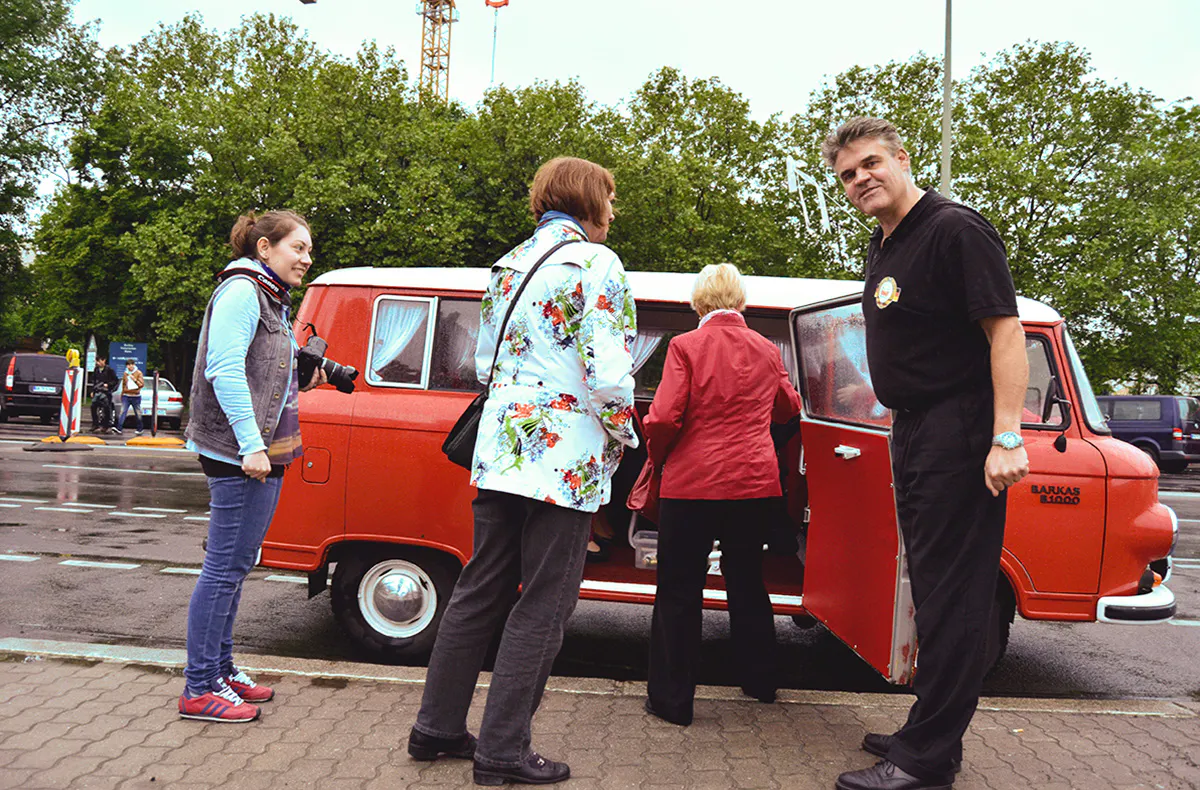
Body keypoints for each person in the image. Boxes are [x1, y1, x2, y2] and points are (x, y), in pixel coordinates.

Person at [409, 157, 638, 786]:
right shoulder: (597, 265)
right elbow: (611, 375)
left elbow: (485, 362)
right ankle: (504, 750)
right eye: (611, 199)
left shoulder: (507, 265)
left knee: (480, 588)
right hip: (563, 462)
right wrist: (623, 437)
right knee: (545, 602)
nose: (614, 213)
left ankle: (436, 727)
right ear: (589, 200)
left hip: (503, 448)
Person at [824, 118, 1030, 790]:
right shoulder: (885, 245)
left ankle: (927, 760)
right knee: (932, 591)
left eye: (871, 164)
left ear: (903, 159)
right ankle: (927, 730)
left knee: (956, 595)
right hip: (911, 430)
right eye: (848, 174)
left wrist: (1005, 437)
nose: (861, 180)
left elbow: (1005, 334)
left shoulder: (954, 229)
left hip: (960, 430)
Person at [178, 210, 327, 722]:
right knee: (223, 570)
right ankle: (199, 687)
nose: (307, 259)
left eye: (309, 250)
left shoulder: (270, 297)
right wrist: (250, 445)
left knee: (235, 567)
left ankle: (219, 670)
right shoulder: (242, 290)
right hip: (241, 452)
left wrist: (301, 377)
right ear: (265, 247)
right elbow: (222, 368)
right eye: (298, 248)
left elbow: (263, 372)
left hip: (263, 448)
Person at [640, 263, 802, 727]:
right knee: (748, 581)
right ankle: (760, 682)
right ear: (741, 303)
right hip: (753, 484)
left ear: (698, 303)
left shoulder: (685, 346)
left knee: (678, 589)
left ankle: (673, 702)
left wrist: (660, 455)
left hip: (692, 485)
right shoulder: (767, 349)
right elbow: (787, 407)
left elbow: (664, 417)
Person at [116, 358, 144, 434]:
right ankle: (119, 428)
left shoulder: (138, 373)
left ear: (134, 365)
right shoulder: (125, 373)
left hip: (135, 396)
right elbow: (124, 384)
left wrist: (135, 379)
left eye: (131, 364)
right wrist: (122, 393)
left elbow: (141, 385)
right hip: (126, 395)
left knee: (137, 412)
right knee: (123, 412)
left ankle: (140, 428)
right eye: (128, 365)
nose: (130, 366)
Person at [90, 357, 118, 432]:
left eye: (99, 361)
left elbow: (115, 380)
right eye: (97, 362)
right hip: (97, 391)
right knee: (93, 406)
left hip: (106, 392)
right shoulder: (96, 370)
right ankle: (95, 424)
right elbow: (94, 380)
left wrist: (108, 385)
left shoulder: (109, 370)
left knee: (106, 408)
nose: (97, 363)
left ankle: (105, 425)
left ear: (103, 360)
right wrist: (92, 391)